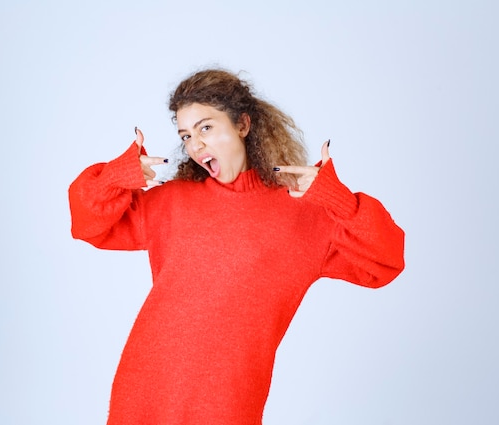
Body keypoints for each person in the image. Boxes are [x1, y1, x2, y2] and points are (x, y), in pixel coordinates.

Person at [68, 68, 405, 425]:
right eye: (185, 135)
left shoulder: (303, 214)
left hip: (229, 400)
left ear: (243, 125)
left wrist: (338, 201)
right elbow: (88, 225)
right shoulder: (172, 202)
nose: (195, 145)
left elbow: (384, 262)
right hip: (146, 387)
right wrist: (116, 177)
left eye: (206, 128)